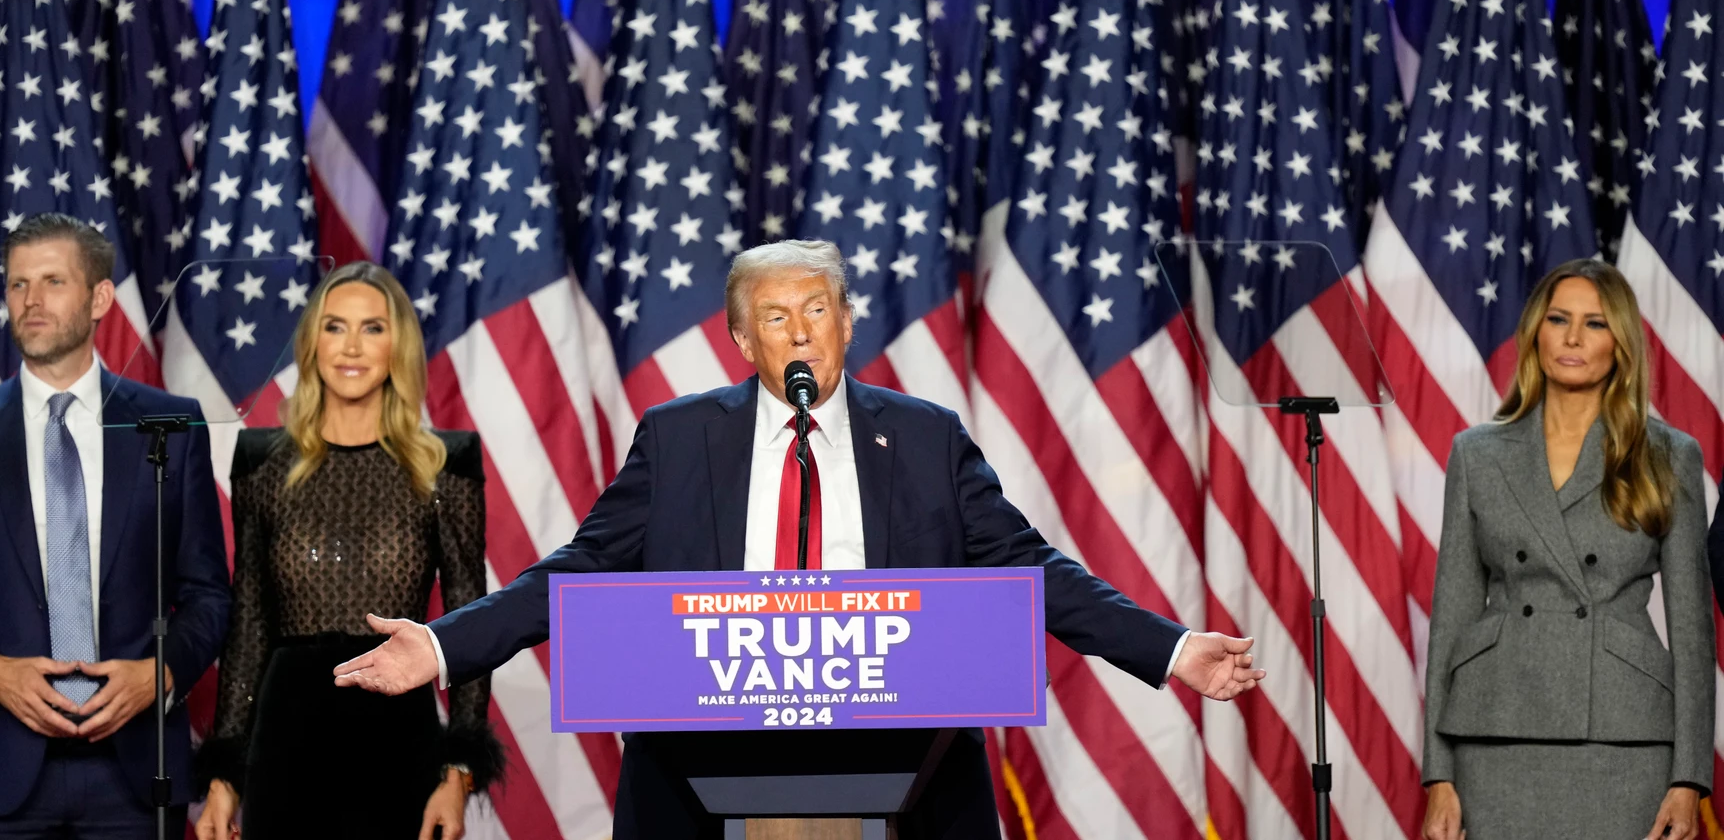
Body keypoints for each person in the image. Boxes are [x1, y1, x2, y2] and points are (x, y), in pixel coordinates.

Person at [334, 239, 1265, 839]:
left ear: (848, 321)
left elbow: (1031, 569)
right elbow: (581, 569)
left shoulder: (928, 436)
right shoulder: (681, 436)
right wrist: (447, 643)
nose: (801, 331)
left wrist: (1173, 650)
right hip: (708, 765)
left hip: (906, 767)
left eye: (817, 309)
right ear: (744, 340)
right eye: (775, 316)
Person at [0, 213, 231, 839]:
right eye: (17, 285)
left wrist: (160, 674)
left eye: (52, 282)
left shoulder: (170, 427)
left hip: (134, 778)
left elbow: (208, 593)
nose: (31, 301)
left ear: (100, 297)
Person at [193, 262, 502, 840]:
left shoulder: (444, 464)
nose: (352, 346)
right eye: (335, 327)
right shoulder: (262, 463)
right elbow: (250, 624)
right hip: (285, 736)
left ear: (398, 347)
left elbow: (469, 626)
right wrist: (223, 779)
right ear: (312, 343)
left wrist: (457, 774)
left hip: (399, 735)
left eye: (373, 328)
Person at [1421, 258, 1713, 840]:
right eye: (1559, 319)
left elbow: (1693, 633)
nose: (1574, 337)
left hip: (1623, 736)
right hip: (1494, 731)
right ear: (1537, 332)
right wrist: (1438, 772)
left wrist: (1689, 779)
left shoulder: (1668, 454)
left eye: (1596, 323)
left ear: (1621, 343)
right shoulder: (1476, 454)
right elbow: (1451, 617)